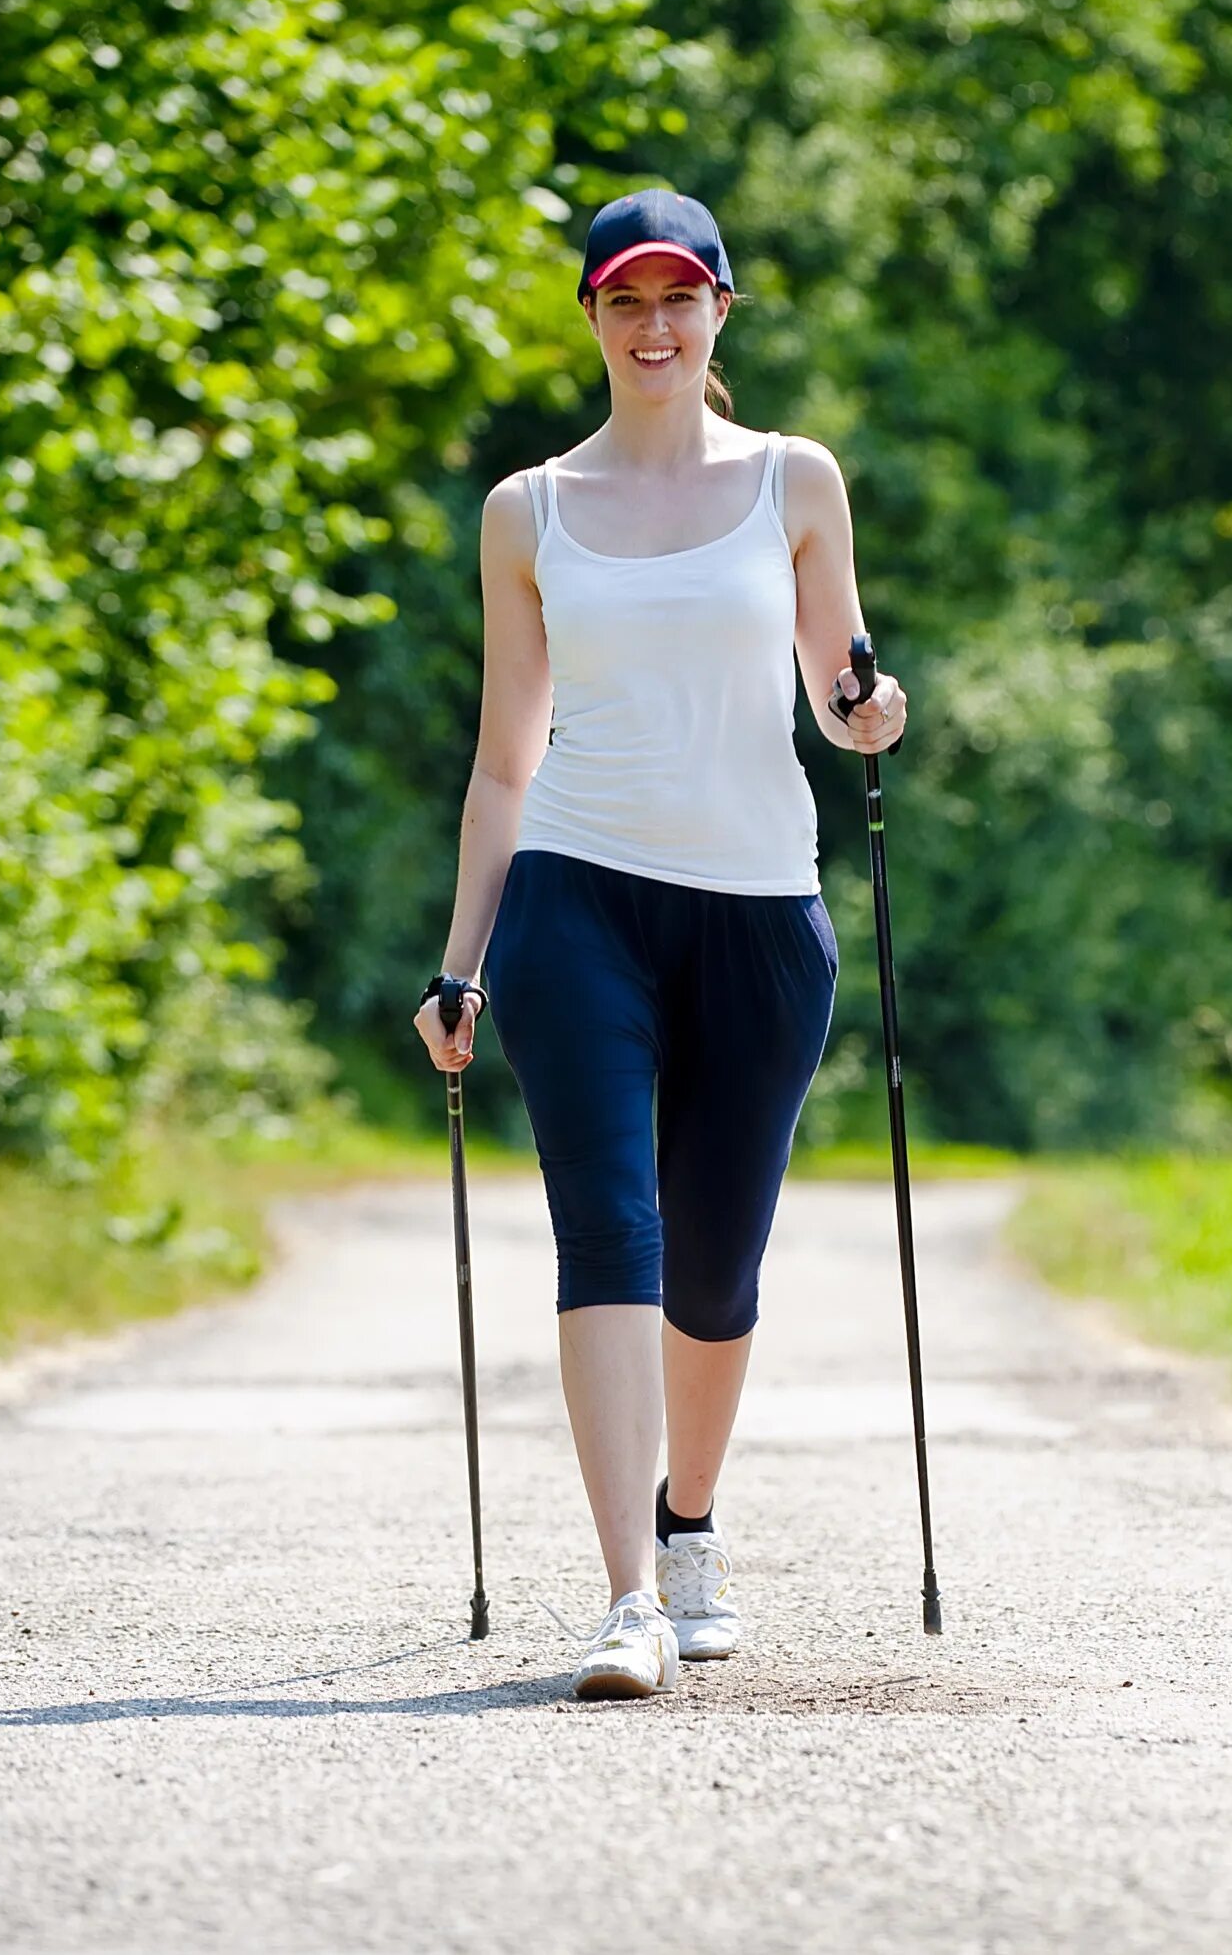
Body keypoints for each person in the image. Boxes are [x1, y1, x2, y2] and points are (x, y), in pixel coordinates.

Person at [412, 188, 911, 1701]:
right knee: (608, 1231)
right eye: (625, 302)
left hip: (762, 908)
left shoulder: (795, 481)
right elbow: (507, 760)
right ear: (593, 320)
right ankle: (629, 1596)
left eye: (679, 299)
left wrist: (877, 715)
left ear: (719, 315)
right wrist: (464, 960)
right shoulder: (530, 511)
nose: (654, 326)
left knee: (715, 1263)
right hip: (578, 898)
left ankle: (690, 1524)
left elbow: (844, 684)